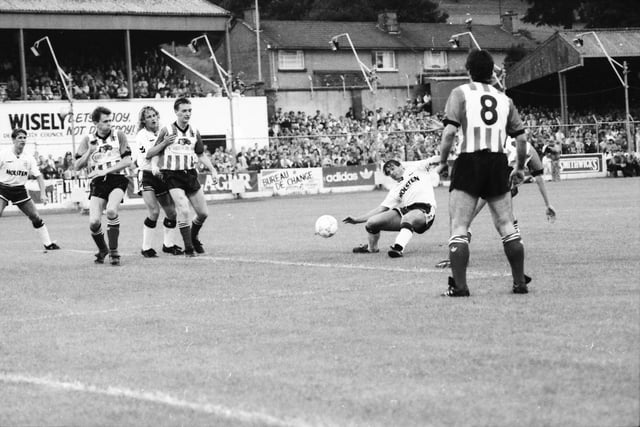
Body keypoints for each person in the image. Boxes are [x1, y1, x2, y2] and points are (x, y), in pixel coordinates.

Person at [435, 49, 529, 297]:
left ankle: (460, 286)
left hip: (469, 161)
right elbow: (521, 139)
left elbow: (449, 133)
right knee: (507, 226)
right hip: (498, 162)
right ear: (492, 73)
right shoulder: (504, 99)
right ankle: (519, 283)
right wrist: (518, 168)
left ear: (468, 70)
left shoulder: (460, 93)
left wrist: (443, 162)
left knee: (460, 226)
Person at [435, 138, 557, 269]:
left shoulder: (495, 137)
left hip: (489, 178)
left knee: (463, 219)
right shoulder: (527, 146)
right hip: (503, 183)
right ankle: (518, 267)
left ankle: (457, 257)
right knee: (507, 220)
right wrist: (547, 204)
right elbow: (538, 177)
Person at [145, 97, 218, 257]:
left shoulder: (194, 131)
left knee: (203, 213)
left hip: (190, 174)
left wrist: (212, 169)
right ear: (176, 112)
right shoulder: (167, 130)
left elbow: (200, 154)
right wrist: (155, 165)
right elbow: (156, 151)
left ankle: (193, 236)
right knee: (183, 209)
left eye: (189, 110)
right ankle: (189, 248)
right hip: (172, 176)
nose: (187, 113)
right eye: (184, 111)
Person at [343, 159, 437, 258]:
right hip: (407, 210)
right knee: (372, 223)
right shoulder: (395, 189)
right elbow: (381, 209)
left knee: (407, 218)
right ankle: (371, 248)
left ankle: (398, 248)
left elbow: (437, 158)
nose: (391, 173)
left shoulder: (417, 168)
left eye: (393, 168)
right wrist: (357, 220)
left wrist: (443, 159)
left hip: (425, 209)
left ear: (401, 166)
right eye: (389, 172)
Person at [74, 106, 132, 266]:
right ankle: (103, 249)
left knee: (112, 210)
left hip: (117, 179)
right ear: (95, 123)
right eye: (105, 121)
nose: (109, 124)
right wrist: (89, 152)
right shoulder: (87, 140)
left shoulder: (119, 135)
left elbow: (127, 161)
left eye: (110, 120)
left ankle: (114, 252)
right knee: (93, 222)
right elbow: (77, 166)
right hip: (98, 183)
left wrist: (104, 171)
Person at [134, 105, 183, 257]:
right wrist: (164, 143)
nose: (153, 118)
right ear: (143, 120)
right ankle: (146, 247)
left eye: (154, 115)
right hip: (147, 174)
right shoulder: (141, 135)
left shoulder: (165, 130)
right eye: (148, 117)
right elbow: (149, 154)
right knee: (154, 211)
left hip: (162, 174)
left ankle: (168, 245)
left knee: (171, 213)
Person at [0, 128, 60, 250]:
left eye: (24, 138)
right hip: (3, 189)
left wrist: (43, 194)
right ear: (13, 140)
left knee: (35, 216)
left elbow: (39, 176)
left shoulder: (28, 158)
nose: (22, 140)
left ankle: (48, 244)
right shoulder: (3, 154)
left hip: (20, 191)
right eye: (19, 138)